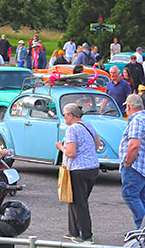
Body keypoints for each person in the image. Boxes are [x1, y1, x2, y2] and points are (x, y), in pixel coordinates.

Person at [55, 103, 100, 244]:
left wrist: (60, 147)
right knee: (74, 199)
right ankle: (73, 231)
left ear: (70, 115)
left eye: (64, 115)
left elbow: (71, 153)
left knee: (79, 202)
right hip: (92, 167)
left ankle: (86, 235)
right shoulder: (88, 124)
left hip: (78, 169)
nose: (64, 118)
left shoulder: (72, 129)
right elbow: (97, 143)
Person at [121, 94, 145, 232]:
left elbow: (134, 145)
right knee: (141, 197)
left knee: (130, 194)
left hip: (135, 165)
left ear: (129, 107)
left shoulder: (136, 120)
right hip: (142, 164)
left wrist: (128, 163)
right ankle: (141, 230)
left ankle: (141, 229)